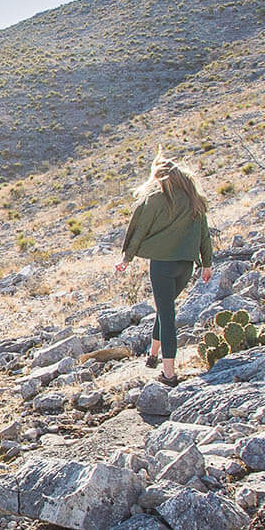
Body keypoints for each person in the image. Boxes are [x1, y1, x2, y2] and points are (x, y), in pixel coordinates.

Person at [115, 158, 215, 384]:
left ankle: (168, 373)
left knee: (167, 315)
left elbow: (139, 230)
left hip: (162, 266)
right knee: (165, 308)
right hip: (186, 266)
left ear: (160, 178)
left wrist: (126, 258)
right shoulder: (194, 200)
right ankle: (152, 355)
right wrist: (206, 264)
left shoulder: (155, 200)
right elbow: (204, 235)